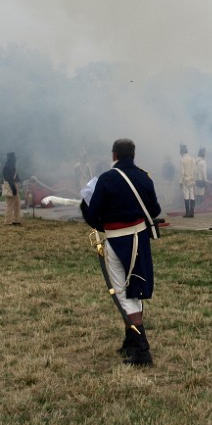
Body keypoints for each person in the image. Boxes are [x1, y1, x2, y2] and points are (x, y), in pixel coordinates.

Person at [81, 138, 161, 366]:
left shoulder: (106, 179)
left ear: (114, 155)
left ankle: (143, 350)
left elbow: (93, 213)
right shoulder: (144, 177)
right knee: (134, 288)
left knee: (121, 292)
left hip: (117, 241)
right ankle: (130, 341)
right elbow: (154, 209)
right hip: (141, 239)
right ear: (133, 155)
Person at [2, 152, 22, 225]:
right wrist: (13, 188)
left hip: (14, 185)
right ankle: (8, 221)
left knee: (17, 203)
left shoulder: (10, 166)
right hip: (12, 186)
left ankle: (16, 220)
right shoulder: (8, 167)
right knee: (10, 205)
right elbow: (9, 179)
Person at [179, 143, 197, 218]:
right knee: (192, 195)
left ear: (181, 152)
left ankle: (187, 213)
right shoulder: (192, 159)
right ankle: (192, 212)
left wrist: (180, 181)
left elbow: (181, 172)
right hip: (192, 180)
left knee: (186, 195)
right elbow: (195, 171)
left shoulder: (182, 160)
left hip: (185, 180)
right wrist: (194, 179)